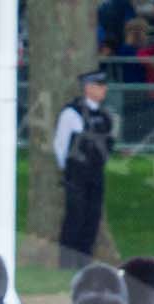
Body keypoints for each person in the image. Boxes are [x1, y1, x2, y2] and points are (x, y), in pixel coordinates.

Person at [51, 70, 113, 267]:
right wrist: (68, 168)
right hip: (76, 172)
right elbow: (60, 144)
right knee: (75, 215)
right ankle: (67, 261)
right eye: (100, 86)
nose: (105, 90)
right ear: (88, 88)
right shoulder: (71, 112)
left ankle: (84, 258)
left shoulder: (104, 115)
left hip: (96, 172)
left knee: (92, 215)